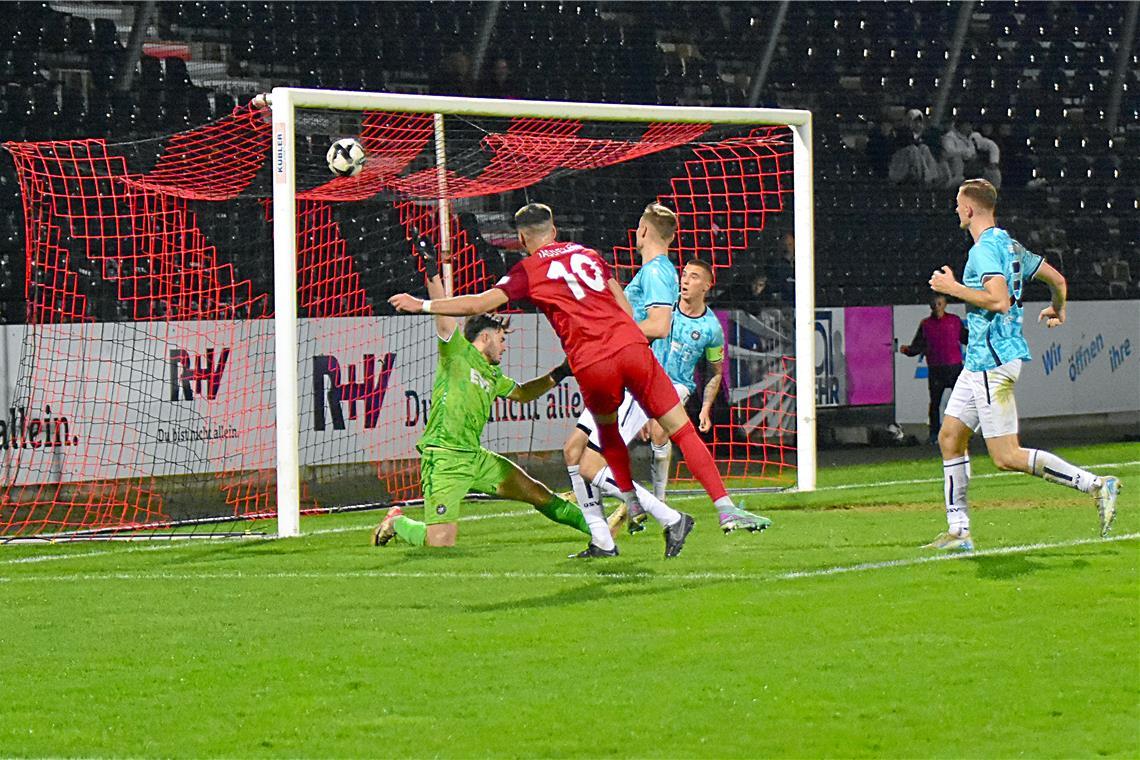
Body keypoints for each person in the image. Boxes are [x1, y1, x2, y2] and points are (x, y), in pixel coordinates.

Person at [390, 203, 753, 559]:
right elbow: (622, 306)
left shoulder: (530, 269)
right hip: (630, 351)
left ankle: (657, 517)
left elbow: (478, 305)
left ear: (520, 238)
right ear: (556, 231)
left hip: (595, 360)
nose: (504, 340)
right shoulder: (588, 254)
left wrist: (419, 303)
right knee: (639, 440)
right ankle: (694, 514)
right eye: (500, 337)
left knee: (584, 459)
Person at [924, 178, 1121, 551]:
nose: (955, 209)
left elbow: (997, 300)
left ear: (969, 209)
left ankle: (1096, 485)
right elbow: (1057, 279)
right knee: (950, 437)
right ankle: (959, 532)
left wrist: (954, 290)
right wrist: (1058, 308)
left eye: (957, 204)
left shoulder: (982, 252)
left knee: (1006, 455)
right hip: (986, 360)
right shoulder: (1009, 245)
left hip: (991, 362)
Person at [371, 232, 590, 549]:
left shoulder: (492, 374)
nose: (504, 346)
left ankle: (599, 528)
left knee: (537, 492)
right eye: (502, 339)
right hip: (444, 459)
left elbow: (524, 394)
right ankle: (397, 522)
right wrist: (431, 268)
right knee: (440, 543)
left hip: (475, 458)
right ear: (485, 337)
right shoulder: (456, 351)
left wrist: (560, 373)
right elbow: (443, 317)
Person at [899, 294, 968, 444]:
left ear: (944, 305)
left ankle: (962, 431)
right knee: (935, 403)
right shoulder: (926, 324)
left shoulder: (954, 321)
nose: (937, 307)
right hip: (936, 368)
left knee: (961, 402)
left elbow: (965, 338)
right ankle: (934, 434)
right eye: (934, 304)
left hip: (954, 367)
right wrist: (908, 350)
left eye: (939, 303)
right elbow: (918, 345)